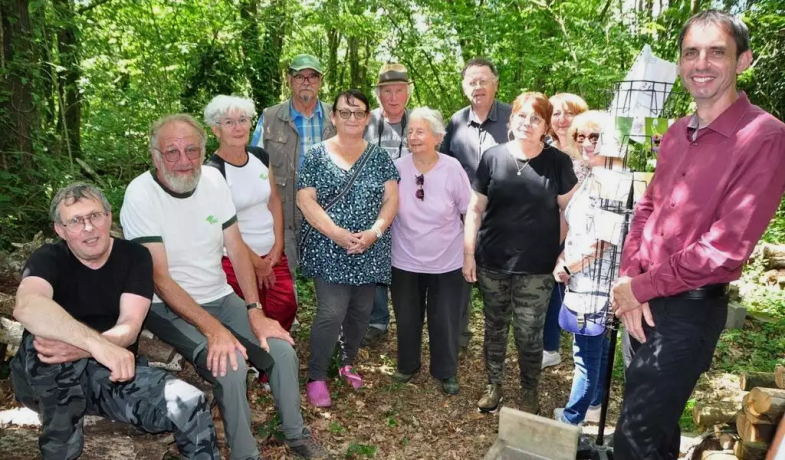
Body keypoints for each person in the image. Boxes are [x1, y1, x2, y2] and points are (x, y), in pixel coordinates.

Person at [611, 10, 785, 459]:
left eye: (716, 52)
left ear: (743, 60)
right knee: (654, 432)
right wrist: (630, 278)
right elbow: (646, 207)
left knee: (633, 443)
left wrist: (639, 287)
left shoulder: (764, 136)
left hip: (685, 313)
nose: (701, 63)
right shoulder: (674, 131)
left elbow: (725, 249)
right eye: (691, 52)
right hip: (641, 302)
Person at [121, 114, 330, 460]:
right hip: (165, 305)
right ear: (155, 156)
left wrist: (255, 310)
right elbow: (159, 277)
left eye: (191, 150)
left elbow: (235, 248)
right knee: (229, 364)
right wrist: (214, 330)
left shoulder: (214, 180)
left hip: (218, 293)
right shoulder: (141, 194)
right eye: (171, 151)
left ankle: (295, 432)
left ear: (203, 151)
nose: (183, 160)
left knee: (281, 349)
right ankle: (245, 452)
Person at [10, 183, 219, 460]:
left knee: (190, 403)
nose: (88, 228)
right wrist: (95, 344)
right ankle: (59, 450)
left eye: (95, 216)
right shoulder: (48, 258)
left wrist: (91, 350)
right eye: (75, 221)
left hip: (106, 375)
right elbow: (27, 306)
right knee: (50, 344)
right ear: (60, 230)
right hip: (45, 378)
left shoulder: (134, 256)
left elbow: (129, 327)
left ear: (109, 217)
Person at [463, 92, 578, 414]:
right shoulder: (492, 157)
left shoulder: (558, 163)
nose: (528, 123)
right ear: (511, 120)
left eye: (536, 118)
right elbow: (475, 209)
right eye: (522, 116)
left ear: (545, 126)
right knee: (494, 328)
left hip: (537, 267)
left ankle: (530, 391)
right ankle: (494, 384)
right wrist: (468, 253)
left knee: (529, 334)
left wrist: (562, 253)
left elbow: (569, 213)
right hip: (492, 263)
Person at [297, 90, 399, 407]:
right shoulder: (315, 155)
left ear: (367, 118)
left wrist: (374, 232)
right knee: (331, 311)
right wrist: (337, 233)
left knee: (360, 312)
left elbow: (392, 199)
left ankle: (346, 361)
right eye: (344, 112)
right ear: (334, 116)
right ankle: (316, 376)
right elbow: (305, 200)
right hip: (328, 247)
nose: (351, 118)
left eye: (358, 113)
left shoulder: (380, 157)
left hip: (368, 247)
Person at [389, 107, 472, 395]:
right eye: (410, 131)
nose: (413, 137)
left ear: (437, 137)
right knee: (407, 316)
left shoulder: (452, 168)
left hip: (446, 261)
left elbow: (469, 210)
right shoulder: (397, 168)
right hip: (405, 258)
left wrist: (470, 253)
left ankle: (445, 371)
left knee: (445, 319)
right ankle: (407, 364)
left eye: (420, 131)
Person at [204, 95, 297, 331]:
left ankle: (275, 358)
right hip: (235, 259)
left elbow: (274, 199)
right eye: (229, 122)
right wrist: (255, 261)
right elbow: (220, 227)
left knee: (286, 306)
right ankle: (257, 363)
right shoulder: (212, 171)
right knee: (249, 317)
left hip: (273, 253)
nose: (238, 127)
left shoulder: (259, 156)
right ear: (216, 130)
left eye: (243, 120)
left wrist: (278, 247)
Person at [551, 111, 619, 426]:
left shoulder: (615, 180)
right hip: (582, 277)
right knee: (596, 349)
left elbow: (605, 239)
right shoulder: (592, 175)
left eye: (595, 137)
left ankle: (571, 420)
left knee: (585, 356)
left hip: (598, 281)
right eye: (581, 137)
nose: (587, 143)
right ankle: (592, 404)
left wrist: (570, 263)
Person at [443, 57, 512, 350]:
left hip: (504, 219)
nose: (478, 86)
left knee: (500, 287)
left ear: (495, 83)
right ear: (463, 87)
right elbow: (443, 165)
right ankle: (458, 339)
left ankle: (498, 346)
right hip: (462, 219)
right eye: (472, 81)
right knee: (459, 282)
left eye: (484, 80)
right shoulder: (456, 122)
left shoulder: (513, 118)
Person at [250, 54, 336, 284]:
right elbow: (253, 164)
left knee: (331, 283)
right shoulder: (270, 117)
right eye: (300, 76)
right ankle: (288, 320)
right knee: (282, 283)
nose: (306, 81)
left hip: (327, 212)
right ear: (289, 79)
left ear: (320, 81)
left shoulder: (337, 117)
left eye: (313, 76)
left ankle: (330, 321)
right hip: (283, 212)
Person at [362, 63, 412, 348]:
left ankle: (407, 321)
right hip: (372, 206)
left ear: (408, 92)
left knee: (404, 265)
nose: (393, 97)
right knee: (375, 260)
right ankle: (377, 320)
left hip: (410, 208)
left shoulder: (418, 122)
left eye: (399, 91)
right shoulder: (365, 122)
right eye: (387, 91)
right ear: (378, 94)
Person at [542, 93, 590, 370]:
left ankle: (582, 354)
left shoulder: (589, 154)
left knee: (571, 291)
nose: (561, 119)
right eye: (556, 113)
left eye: (568, 113)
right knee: (548, 292)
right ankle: (549, 347)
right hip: (545, 230)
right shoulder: (543, 147)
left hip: (578, 236)